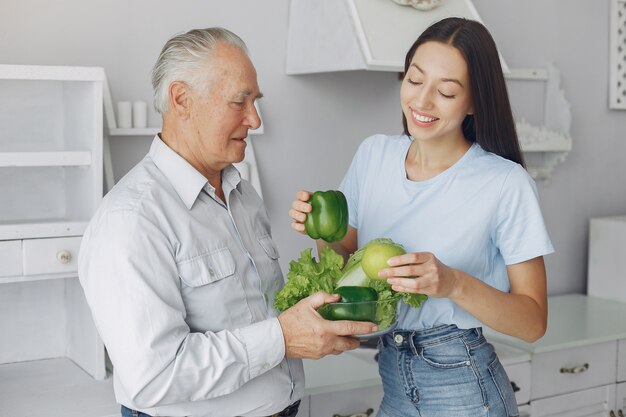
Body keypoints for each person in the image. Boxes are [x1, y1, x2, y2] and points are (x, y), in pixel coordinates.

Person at [78, 27, 377, 417]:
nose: (254, 118)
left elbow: (254, 316)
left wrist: (312, 324)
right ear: (182, 100)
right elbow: (154, 375)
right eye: (240, 101)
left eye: (256, 101)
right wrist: (283, 338)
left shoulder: (241, 194)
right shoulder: (131, 219)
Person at [289, 17, 553, 417]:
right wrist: (321, 227)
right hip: (394, 376)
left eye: (446, 91)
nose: (423, 102)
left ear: (474, 102)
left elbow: (533, 322)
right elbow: (346, 263)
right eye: (414, 81)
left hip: (464, 389)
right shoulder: (374, 155)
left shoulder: (505, 184)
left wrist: (452, 283)